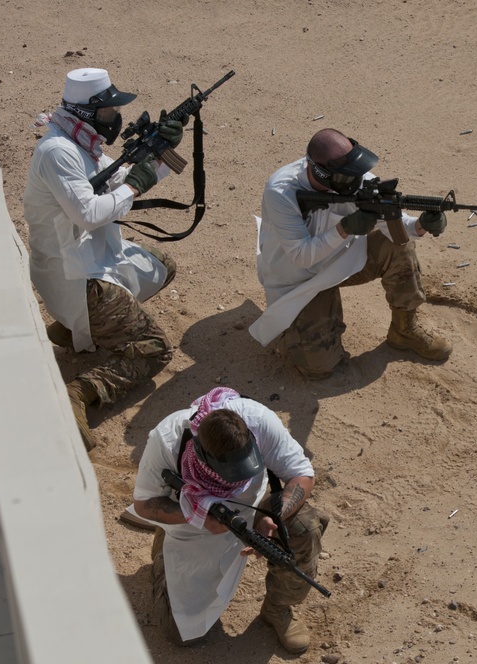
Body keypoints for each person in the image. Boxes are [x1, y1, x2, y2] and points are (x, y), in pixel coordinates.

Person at [22, 67, 184, 451]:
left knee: (163, 265)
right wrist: (135, 183)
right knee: (156, 349)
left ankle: (78, 330)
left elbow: (126, 176)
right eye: (109, 113)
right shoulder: (58, 152)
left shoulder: (81, 143)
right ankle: (79, 392)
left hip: (88, 262)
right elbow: (91, 213)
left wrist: (161, 152)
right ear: (86, 112)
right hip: (77, 276)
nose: (115, 119)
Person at [132, 387, 328, 653]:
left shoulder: (259, 420)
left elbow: (302, 474)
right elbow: (144, 504)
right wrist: (197, 517)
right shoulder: (167, 440)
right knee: (181, 634)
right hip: (195, 521)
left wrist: (274, 518)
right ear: (201, 454)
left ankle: (277, 609)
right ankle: (163, 555)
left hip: (254, 505)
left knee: (303, 526)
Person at [250, 128, 452, 380]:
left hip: (343, 260)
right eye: (349, 176)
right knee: (318, 367)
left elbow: (399, 225)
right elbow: (301, 256)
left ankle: (403, 329)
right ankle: (290, 334)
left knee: (398, 244)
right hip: (297, 279)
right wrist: (344, 228)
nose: (359, 180)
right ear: (325, 175)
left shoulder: (355, 177)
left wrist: (422, 224)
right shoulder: (281, 192)